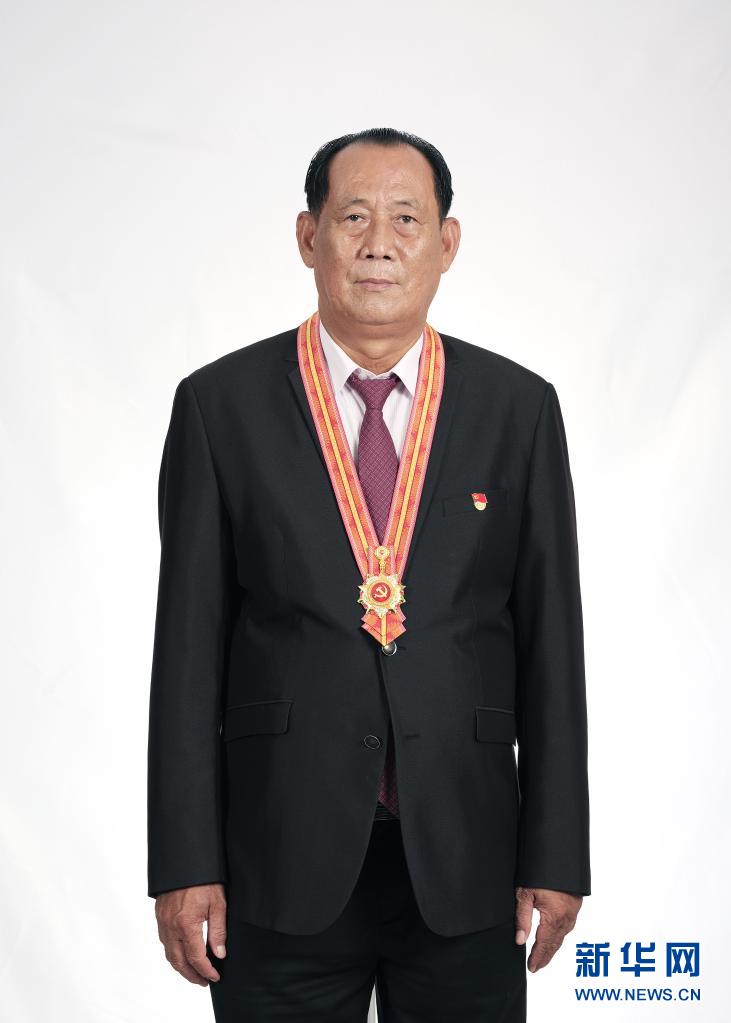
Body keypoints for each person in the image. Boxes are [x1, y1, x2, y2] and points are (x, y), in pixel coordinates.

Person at [147, 127, 591, 1022]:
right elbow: (186, 653)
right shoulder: (220, 407)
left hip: (468, 856)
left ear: (446, 243)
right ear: (308, 236)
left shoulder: (517, 409)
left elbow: (553, 644)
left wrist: (556, 853)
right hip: (277, 855)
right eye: (352, 217)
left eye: (405, 219)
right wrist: (184, 861)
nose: (378, 243)